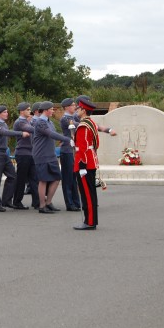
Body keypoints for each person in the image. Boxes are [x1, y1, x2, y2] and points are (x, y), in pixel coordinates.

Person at [32, 101, 74, 214]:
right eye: (51, 109)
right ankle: (42, 205)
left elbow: (54, 134)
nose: (53, 111)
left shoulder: (49, 122)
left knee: (56, 178)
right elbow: (51, 134)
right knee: (43, 180)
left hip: (50, 154)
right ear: (46, 110)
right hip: (41, 155)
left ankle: (49, 202)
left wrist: (63, 138)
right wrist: (68, 139)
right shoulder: (40, 122)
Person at [0, 106, 29, 212]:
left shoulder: (4, 124)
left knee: (13, 176)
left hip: (4, 154)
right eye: (4, 112)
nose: (7, 113)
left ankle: (6, 200)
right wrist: (21, 133)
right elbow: (4, 132)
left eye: (7, 111)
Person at [73, 97, 101, 230]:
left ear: (83, 110)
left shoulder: (83, 125)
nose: (77, 110)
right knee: (90, 193)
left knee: (87, 194)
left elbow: (83, 148)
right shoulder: (92, 123)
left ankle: (89, 222)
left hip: (85, 163)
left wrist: (82, 166)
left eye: (78, 108)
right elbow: (95, 144)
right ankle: (91, 220)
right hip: (91, 160)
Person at [13, 102, 39, 210]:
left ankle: (36, 202)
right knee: (21, 179)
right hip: (23, 153)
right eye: (28, 110)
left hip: (31, 152)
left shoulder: (28, 121)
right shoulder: (20, 122)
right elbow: (31, 129)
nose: (30, 111)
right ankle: (17, 201)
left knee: (34, 178)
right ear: (22, 111)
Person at [58, 98, 82, 212]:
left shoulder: (73, 117)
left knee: (74, 178)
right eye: (73, 105)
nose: (75, 107)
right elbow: (78, 125)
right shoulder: (65, 119)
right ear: (67, 107)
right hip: (67, 150)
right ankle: (70, 203)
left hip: (74, 150)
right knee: (68, 178)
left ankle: (76, 202)